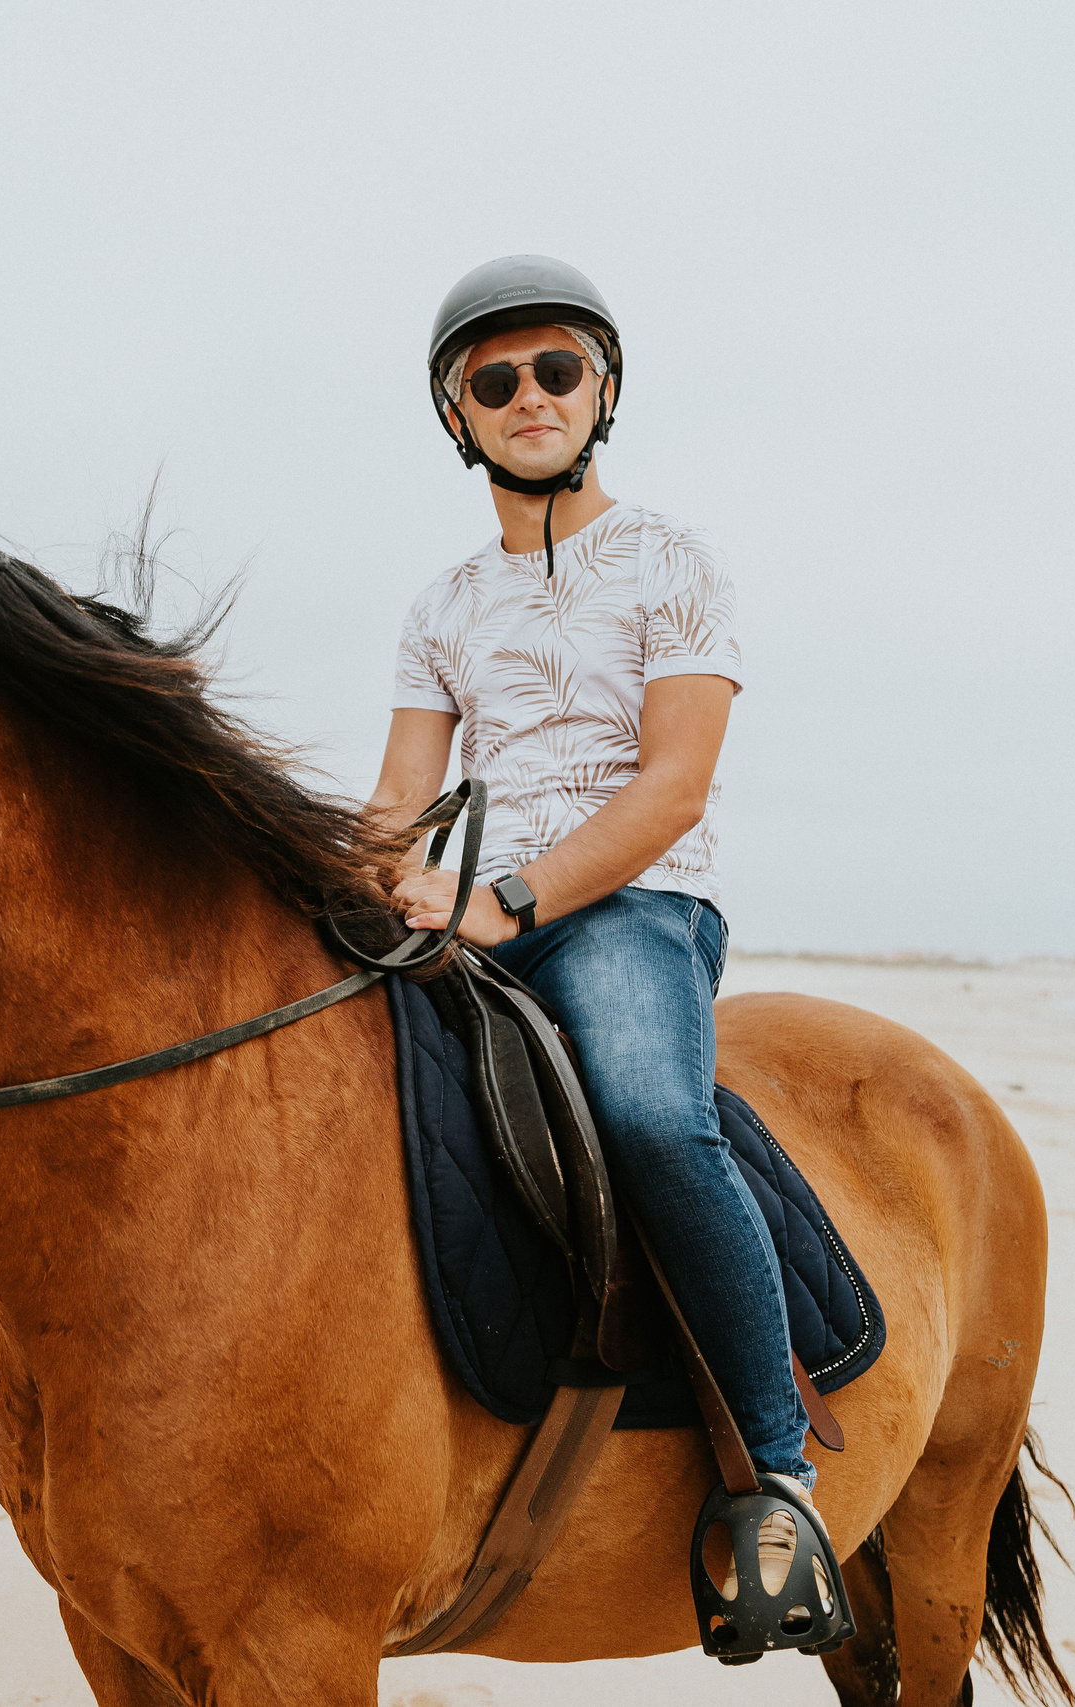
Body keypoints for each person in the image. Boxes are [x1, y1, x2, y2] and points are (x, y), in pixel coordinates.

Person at [368, 256, 820, 1530]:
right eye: (494, 378)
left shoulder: (673, 562)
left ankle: (777, 1476)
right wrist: (350, 888)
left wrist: (507, 902)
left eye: (556, 370)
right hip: (472, 909)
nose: (529, 395)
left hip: (634, 908)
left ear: (600, 391)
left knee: (649, 1121)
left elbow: (674, 785)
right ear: (458, 415)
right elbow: (399, 797)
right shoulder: (441, 604)